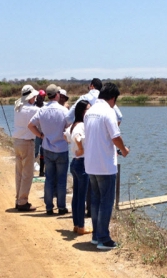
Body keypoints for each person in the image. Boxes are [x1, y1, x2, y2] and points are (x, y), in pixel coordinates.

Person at [84, 82, 129, 250]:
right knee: (106, 202)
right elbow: (115, 136)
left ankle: (96, 236)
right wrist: (124, 150)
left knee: (95, 201)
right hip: (105, 165)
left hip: (90, 164)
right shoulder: (108, 112)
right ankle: (104, 238)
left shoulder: (90, 112)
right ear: (112, 98)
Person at [28, 84, 69, 215]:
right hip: (62, 148)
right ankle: (61, 207)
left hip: (47, 147)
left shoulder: (42, 110)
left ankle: (49, 207)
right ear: (57, 95)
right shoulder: (64, 111)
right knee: (62, 179)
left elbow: (30, 125)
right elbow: (70, 128)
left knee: (49, 178)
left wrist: (40, 135)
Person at [64, 100, 92, 235]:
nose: (90, 111)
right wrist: (80, 148)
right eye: (88, 109)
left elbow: (66, 136)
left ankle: (76, 224)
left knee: (77, 196)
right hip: (82, 162)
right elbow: (77, 138)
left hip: (75, 162)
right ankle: (81, 226)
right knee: (81, 196)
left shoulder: (73, 125)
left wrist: (75, 148)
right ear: (82, 111)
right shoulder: (81, 125)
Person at [13, 85, 40, 212]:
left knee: (19, 172)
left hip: (17, 141)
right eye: (34, 97)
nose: (35, 98)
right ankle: (23, 201)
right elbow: (41, 114)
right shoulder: (31, 109)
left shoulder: (17, 106)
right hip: (27, 142)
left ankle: (18, 199)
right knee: (27, 174)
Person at [34, 90, 46, 177]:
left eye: (42, 97)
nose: (40, 99)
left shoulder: (45, 106)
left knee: (43, 152)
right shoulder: (33, 106)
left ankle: (41, 171)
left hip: (44, 133)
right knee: (34, 152)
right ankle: (30, 170)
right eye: (39, 97)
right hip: (35, 132)